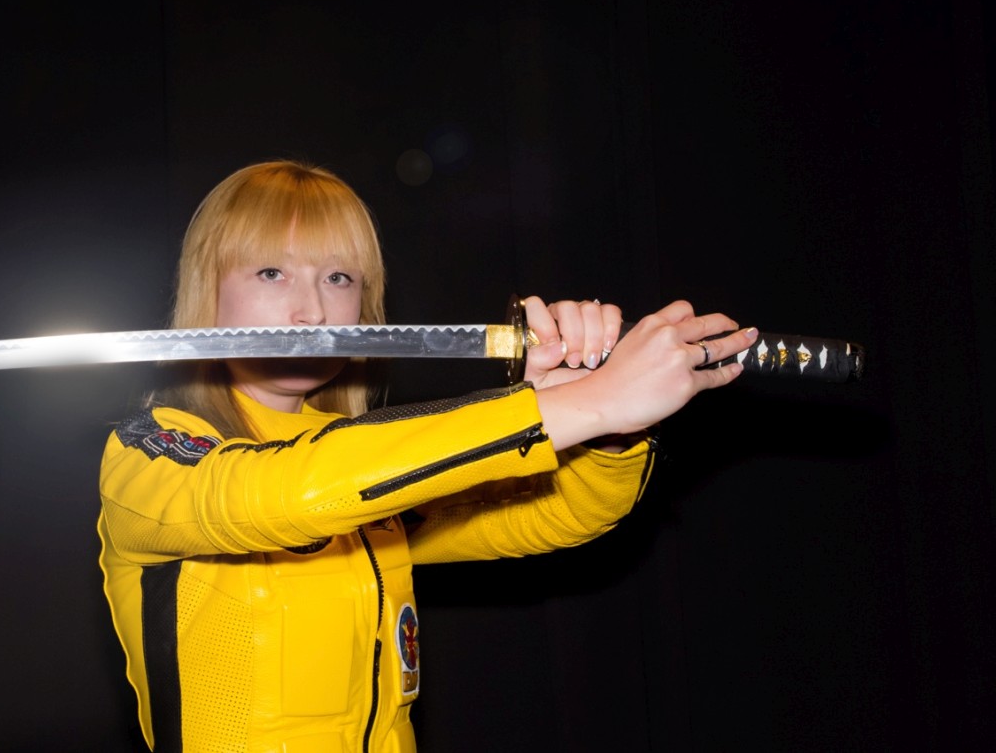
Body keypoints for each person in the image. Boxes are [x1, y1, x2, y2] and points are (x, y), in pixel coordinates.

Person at [97, 161, 755, 752]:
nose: (311, 309)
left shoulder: (373, 466)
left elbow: (555, 515)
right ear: (207, 288)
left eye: (338, 277)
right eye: (272, 272)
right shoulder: (148, 454)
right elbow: (287, 493)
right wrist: (578, 406)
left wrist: (603, 426)